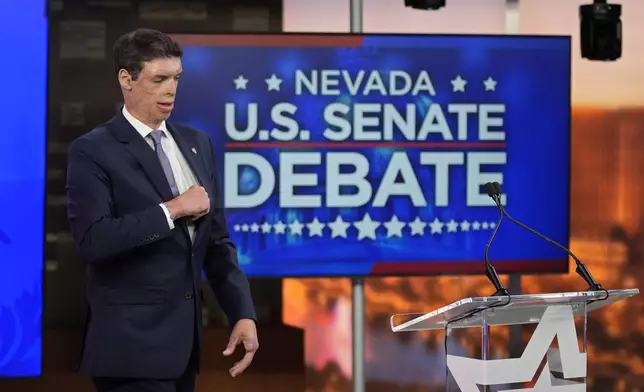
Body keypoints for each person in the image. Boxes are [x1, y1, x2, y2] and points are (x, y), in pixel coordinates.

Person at [65, 28, 258, 392]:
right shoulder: (93, 150)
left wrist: (242, 312)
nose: (171, 90)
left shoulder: (197, 144)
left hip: (184, 349)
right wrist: (172, 209)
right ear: (127, 79)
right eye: (159, 79)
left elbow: (217, 243)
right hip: (129, 351)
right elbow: (93, 240)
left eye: (176, 78)